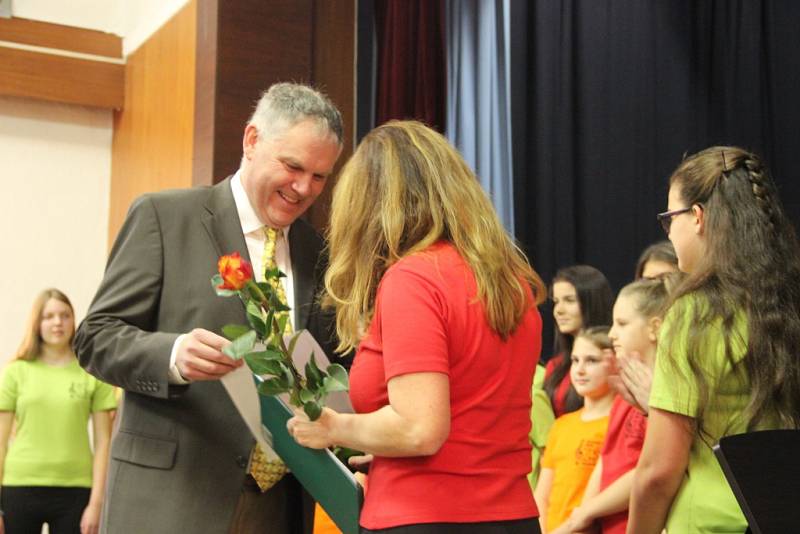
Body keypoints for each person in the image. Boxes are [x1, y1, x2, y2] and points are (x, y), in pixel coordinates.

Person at [73, 83, 344, 533]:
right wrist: (173, 355)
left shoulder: (321, 254)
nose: (303, 188)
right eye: (293, 166)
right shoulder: (164, 216)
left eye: (319, 176)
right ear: (252, 141)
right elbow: (95, 336)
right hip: (173, 499)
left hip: (279, 507)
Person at [286, 120, 546, 533]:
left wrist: (334, 427)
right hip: (512, 515)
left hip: (423, 517)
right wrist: (382, 446)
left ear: (371, 206)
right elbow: (472, 416)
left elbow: (420, 428)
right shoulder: (511, 281)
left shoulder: (414, 279)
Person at [628, 146, 800, 533]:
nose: (669, 232)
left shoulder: (695, 312)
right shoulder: (790, 301)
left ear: (698, 217)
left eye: (670, 218)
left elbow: (658, 472)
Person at [555, 275, 678, 534]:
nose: (612, 334)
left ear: (655, 328)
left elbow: (650, 470)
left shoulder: (668, 392)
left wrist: (589, 511)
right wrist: (581, 516)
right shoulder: (624, 393)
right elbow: (607, 458)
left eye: (622, 324)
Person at [0, 289, 116, 534]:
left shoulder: (92, 372)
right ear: (36, 323)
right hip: (19, 487)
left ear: (74, 321)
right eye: (49, 316)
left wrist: (96, 503)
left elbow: (104, 442)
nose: (57, 322)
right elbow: (0, 442)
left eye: (65, 315)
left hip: (76, 491)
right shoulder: (15, 372)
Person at [535, 327, 615, 534]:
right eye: (575, 360)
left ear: (614, 364)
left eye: (591, 361)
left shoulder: (618, 425)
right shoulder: (562, 425)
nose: (579, 369)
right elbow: (543, 495)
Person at [544, 266, 613, 417]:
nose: (558, 310)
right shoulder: (555, 366)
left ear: (593, 302)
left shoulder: (613, 360)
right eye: (556, 301)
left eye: (569, 300)